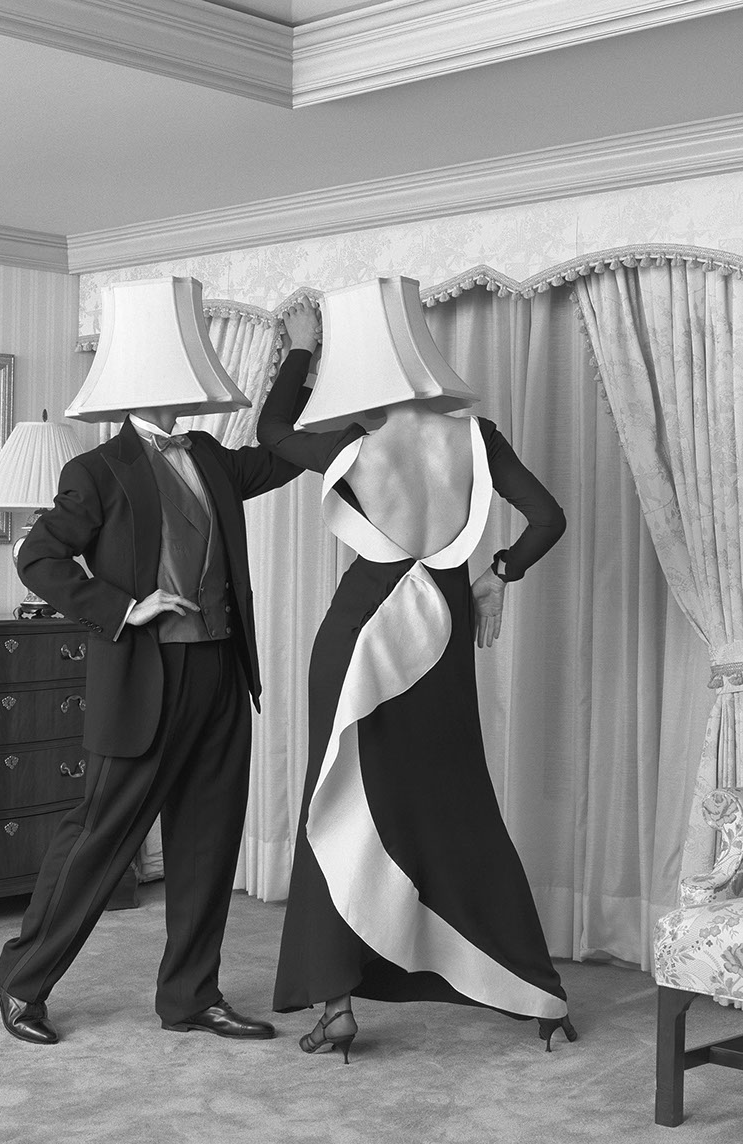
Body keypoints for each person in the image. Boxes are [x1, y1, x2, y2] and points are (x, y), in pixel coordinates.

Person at [257, 299, 576, 1062]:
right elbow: (547, 517)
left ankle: (335, 1003)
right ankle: (536, 994)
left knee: (340, 799)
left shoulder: (353, 440)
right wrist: (499, 573)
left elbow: (270, 432)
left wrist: (299, 352)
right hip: (442, 626)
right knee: (457, 799)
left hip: (361, 630)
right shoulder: (476, 436)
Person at [0, 347, 312, 1046]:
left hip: (221, 669)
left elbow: (284, 454)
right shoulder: (97, 470)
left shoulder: (210, 456)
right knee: (100, 839)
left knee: (208, 840)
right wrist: (123, 607)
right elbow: (37, 556)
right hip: (146, 678)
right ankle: (21, 982)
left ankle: (191, 996)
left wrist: (300, 355)